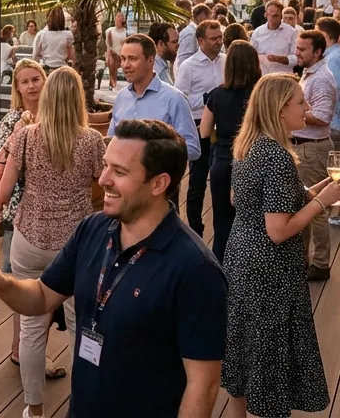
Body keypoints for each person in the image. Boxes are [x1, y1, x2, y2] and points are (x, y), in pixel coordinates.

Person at [0, 119, 228, 418]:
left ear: (159, 183)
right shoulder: (92, 229)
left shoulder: (196, 270)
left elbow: (204, 385)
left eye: (119, 171)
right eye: (106, 166)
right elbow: (42, 296)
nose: (103, 178)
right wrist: (3, 283)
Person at [222, 73, 339, 417]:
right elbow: (278, 230)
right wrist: (321, 204)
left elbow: (239, 199)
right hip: (268, 269)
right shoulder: (276, 155)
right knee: (270, 360)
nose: (307, 109)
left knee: (244, 355)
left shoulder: (248, 145)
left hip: (241, 256)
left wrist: (314, 191)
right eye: (301, 102)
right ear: (279, 108)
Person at [0, 68, 106, 418]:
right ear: (78, 98)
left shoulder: (26, 136)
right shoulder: (92, 140)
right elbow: (104, 187)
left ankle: (34, 407)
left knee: (31, 325)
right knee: (79, 323)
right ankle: (82, 402)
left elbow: (2, 193)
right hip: (75, 244)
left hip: (29, 237)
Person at [0, 59, 48, 374]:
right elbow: (6, 163)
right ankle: (18, 348)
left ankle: (32, 350)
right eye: (24, 81)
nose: (31, 85)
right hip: (19, 207)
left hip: (51, 211)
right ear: (17, 88)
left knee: (46, 285)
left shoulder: (57, 116)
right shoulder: (12, 120)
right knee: (18, 282)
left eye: (35, 78)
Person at [199, 40, 260, 263]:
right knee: (252, 223)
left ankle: (219, 270)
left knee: (222, 222)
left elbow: (205, 132)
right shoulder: (259, 94)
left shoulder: (216, 94)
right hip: (252, 161)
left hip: (222, 162)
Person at [109, 34, 202, 168]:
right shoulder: (122, 97)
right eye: (123, 59)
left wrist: (152, 153)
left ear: (150, 60)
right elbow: (112, 139)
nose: (125, 65)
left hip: (159, 185)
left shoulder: (174, 99)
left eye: (132, 59)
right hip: (124, 184)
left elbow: (193, 149)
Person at [294, 30, 338, 282]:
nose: (297, 52)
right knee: (307, 203)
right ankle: (304, 260)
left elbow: (322, 116)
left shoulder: (320, 78)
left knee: (317, 207)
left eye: (302, 49)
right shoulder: (312, 73)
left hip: (312, 148)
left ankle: (320, 264)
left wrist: (287, 114)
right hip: (307, 146)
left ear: (318, 52)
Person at [176, 20, 225, 236]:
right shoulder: (188, 66)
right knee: (197, 180)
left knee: (222, 178)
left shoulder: (226, 61)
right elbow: (181, 99)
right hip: (198, 126)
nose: (218, 42)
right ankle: (195, 228)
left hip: (223, 126)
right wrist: (210, 99)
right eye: (214, 38)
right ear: (201, 41)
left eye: (220, 37)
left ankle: (223, 226)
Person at [315, 17, 340, 227]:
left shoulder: (334, 58)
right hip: (337, 119)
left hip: (334, 121)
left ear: (323, 35)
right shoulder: (338, 55)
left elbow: (334, 89)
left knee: (335, 169)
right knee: (332, 168)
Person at [252, 0, 299, 75]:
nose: (272, 18)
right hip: (264, 77)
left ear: (281, 16)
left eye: (275, 16)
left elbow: (297, 58)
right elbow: (251, 56)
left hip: (284, 77)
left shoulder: (291, 32)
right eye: (269, 15)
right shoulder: (258, 32)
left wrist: (279, 59)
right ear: (265, 15)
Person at [32, 6, 74, 71]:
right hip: (63, 69)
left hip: (46, 69)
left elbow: (35, 55)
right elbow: (71, 56)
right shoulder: (68, 35)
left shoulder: (41, 34)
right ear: (62, 19)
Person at [147, 21, 180, 85]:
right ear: (160, 44)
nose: (178, 45)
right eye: (174, 42)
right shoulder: (154, 71)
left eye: (177, 41)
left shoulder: (165, 64)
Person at [104, 12, 129, 90]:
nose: (120, 19)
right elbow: (108, 45)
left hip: (122, 54)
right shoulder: (109, 31)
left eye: (121, 17)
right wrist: (109, 55)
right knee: (111, 62)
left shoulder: (126, 32)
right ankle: (112, 84)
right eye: (118, 17)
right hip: (113, 53)